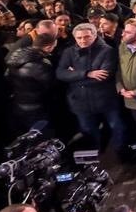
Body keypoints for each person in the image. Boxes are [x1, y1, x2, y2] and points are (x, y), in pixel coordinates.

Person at [56, 23, 132, 157]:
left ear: (94, 35)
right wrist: (87, 73)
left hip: (105, 99)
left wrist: (73, 74)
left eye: (86, 37)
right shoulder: (69, 52)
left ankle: (121, 154)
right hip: (80, 102)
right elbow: (60, 74)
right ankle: (95, 157)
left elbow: (103, 76)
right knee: (88, 131)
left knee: (117, 127)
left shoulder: (107, 51)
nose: (83, 41)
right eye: (79, 38)